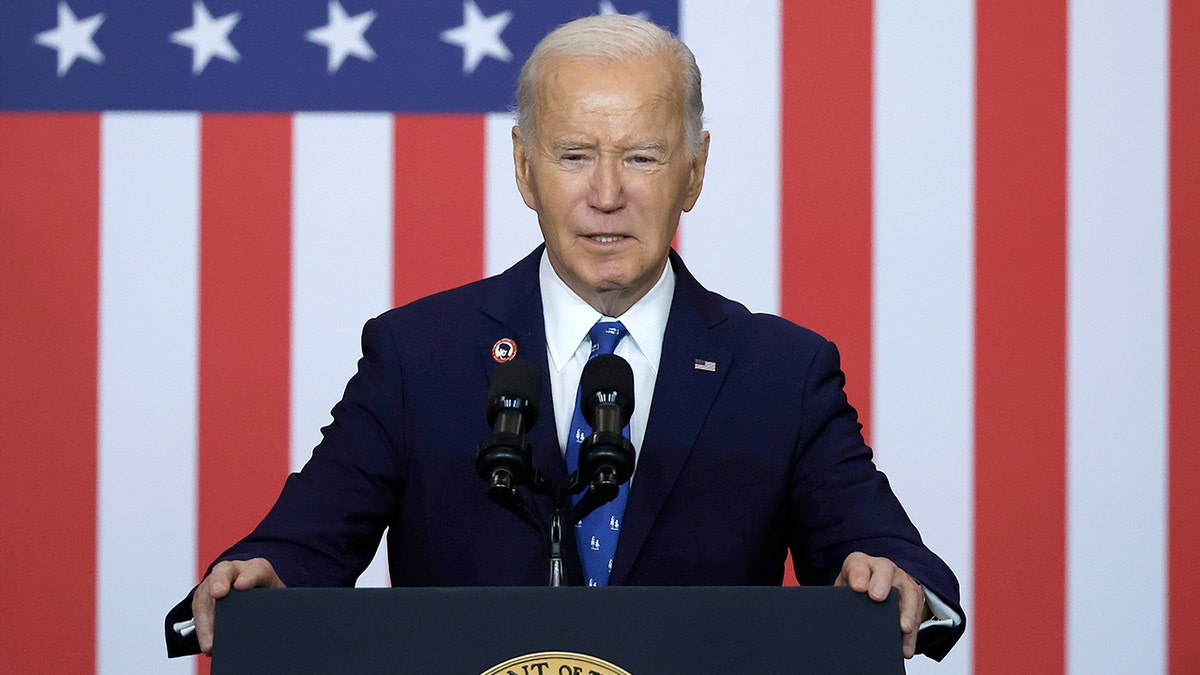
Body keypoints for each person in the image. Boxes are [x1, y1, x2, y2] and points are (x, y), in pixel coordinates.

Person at [166, 14, 964, 662]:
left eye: (642, 157)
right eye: (574, 155)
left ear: (694, 169)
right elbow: (301, 544)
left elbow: (888, 557)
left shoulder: (781, 372)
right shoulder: (421, 356)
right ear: (523, 168)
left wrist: (894, 580)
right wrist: (262, 577)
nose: (606, 195)